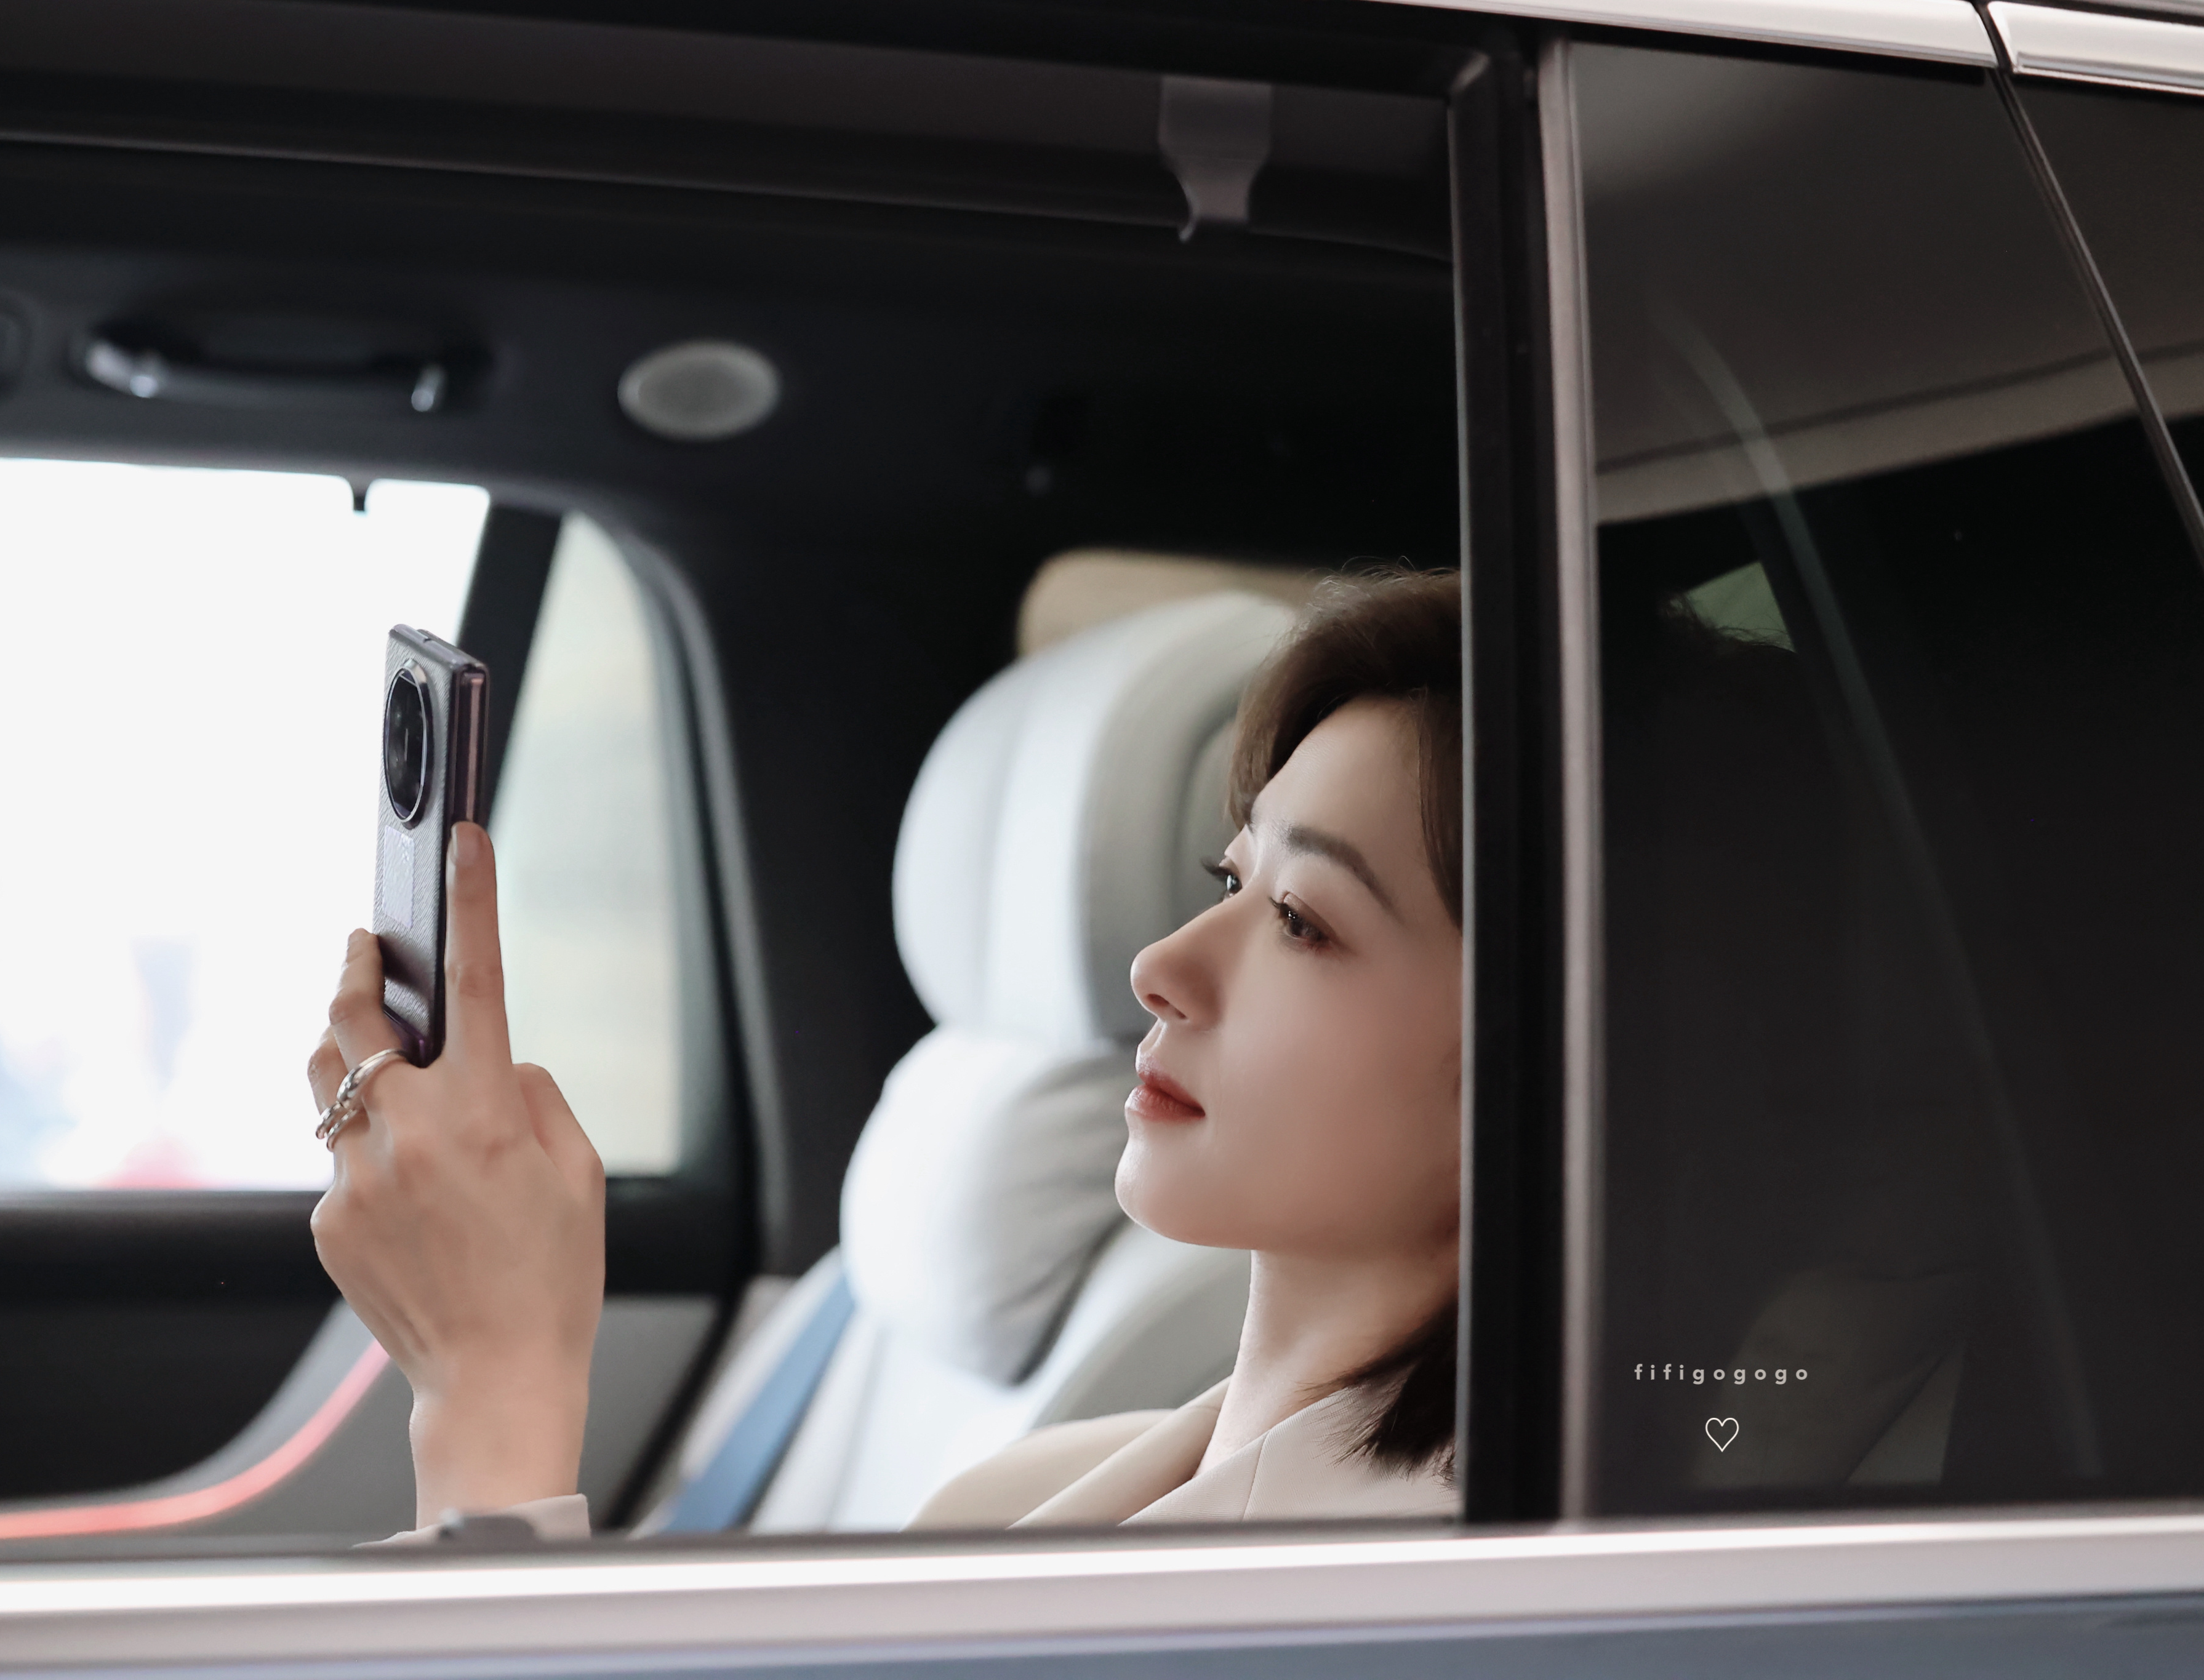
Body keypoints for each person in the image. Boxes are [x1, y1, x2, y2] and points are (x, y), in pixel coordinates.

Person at [307, 571, 1465, 1537]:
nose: (1159, 964)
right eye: (1230, 878)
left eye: (1301, 920)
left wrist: (493, 1388)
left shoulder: (1411, 1599)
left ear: (1532, 1063)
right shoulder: (1022, 1494)